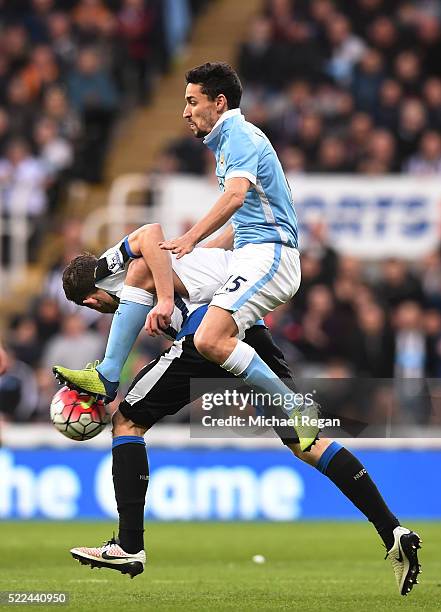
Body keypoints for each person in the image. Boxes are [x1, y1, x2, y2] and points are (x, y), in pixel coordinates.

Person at [55, 238, 421, 596]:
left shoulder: (119, 269)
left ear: (88, 300)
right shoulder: (189, 260)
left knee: (127, 422)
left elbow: (149, 235)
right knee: (305, 442)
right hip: (247, 326)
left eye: (93, 306)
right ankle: (392, 531)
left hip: (207, 333)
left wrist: (165, 298)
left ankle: (129, 544)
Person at [158, 62, 319, 450]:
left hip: (273, 256)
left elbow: (235, 197)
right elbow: (241, 219)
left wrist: (192, 238)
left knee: (211, 337)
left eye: (192, 101)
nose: (185, 111)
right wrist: (196, 256)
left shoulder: (241, 136)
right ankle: (109, 371)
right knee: (156, 270)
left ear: (219, 102)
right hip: (247, 252)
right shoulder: (229, 141)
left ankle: (294, 407)